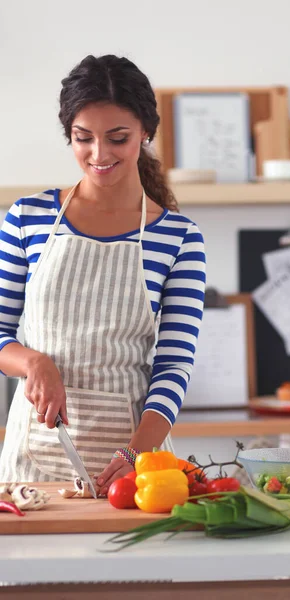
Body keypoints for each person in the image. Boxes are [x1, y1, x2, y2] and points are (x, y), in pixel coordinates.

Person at [0, 55, 206, 495]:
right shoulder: (27, 218)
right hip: (33, 460)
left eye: (118, 138)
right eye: (83, 138)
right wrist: (34, 362)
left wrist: (135, 453)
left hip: (139, 460)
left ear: (145, 133)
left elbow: (173, 365)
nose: (99, 154)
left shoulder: (180, 238)